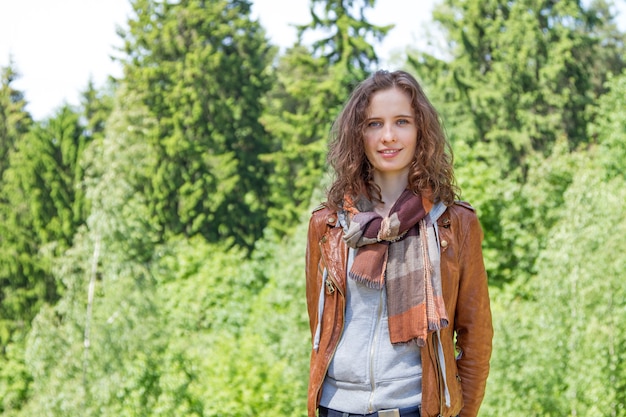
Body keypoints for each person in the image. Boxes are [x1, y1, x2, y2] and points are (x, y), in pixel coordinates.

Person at [305, 70, 493, 417]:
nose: (388, 136)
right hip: (336, 406)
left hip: (415, 406)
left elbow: (475, 337)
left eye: (402, 121)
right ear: (357, 134)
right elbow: (320, 326)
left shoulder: (455, 223)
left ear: (420, 130)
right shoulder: (328, 224)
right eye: (374, 123)